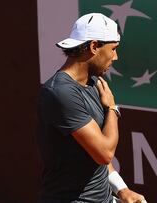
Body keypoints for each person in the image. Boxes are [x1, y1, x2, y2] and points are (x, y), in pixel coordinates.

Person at [37, 13, 147, 203]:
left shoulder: (94, 83)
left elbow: (95, 156)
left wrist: (121, 189)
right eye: (113, 49)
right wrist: (112, 108)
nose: (116, 56)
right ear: (94, 46)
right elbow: (104, 153)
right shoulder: (60, 93)